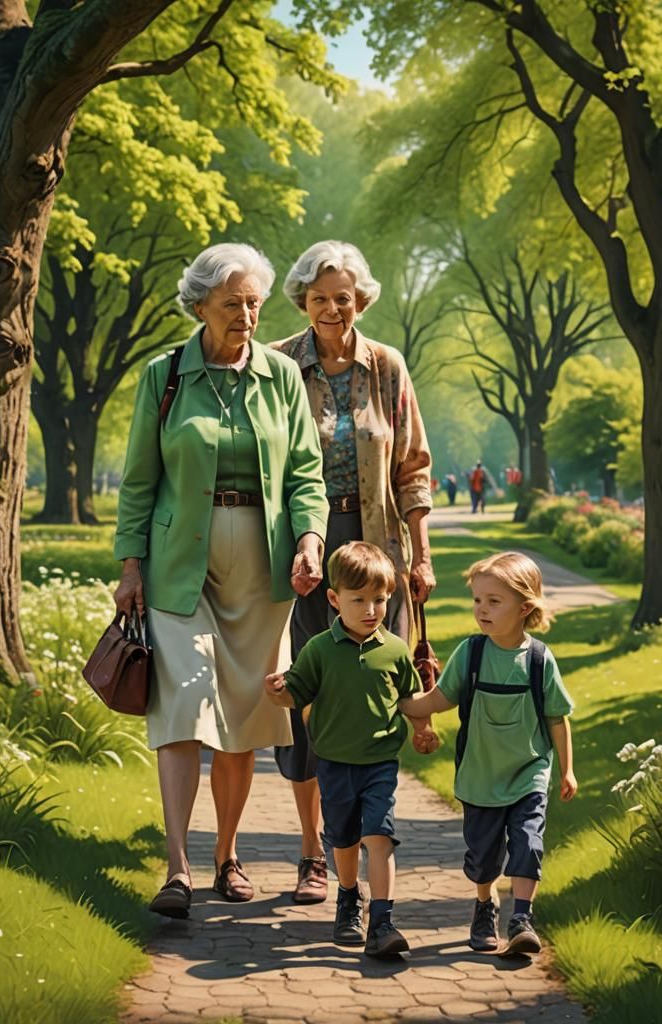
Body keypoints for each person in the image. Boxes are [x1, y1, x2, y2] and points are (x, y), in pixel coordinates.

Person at [113, 242, 329, 920]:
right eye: (233, 304)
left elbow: (304, 474)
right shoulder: (164, 377)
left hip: (263, 573)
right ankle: (176, 867)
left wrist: (311, 539)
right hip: (181, 568)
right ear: (200, 304)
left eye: (255, 304)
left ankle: (226, 856)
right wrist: (129, 566)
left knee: (244, 718)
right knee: (182, 705)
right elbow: (140, 481)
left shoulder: (281, 376)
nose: (246, 315)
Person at [270, 240, 436, 905]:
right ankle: (314, 850)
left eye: (343, 297)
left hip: (373, 549)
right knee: (309, 695)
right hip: (303, 550)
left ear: (360, 298)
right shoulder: (280, 364)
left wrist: (420, 556)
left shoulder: (385, 367)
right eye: (319, 298)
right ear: (303, 302)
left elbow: (414, 468)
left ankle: (369, 839)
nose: (333, 309)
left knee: (366, 695)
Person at [264, 541, 439, 957]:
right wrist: (277, 694)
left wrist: (424, 727)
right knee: (342, 840)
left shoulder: (396, 651)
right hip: (335, 764)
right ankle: (348, 899)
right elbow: (297, 694)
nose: (370, 610)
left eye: (379, 600)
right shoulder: (320, 650)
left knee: (379, 836)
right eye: (358, 600)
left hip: (380, 762)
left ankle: (382, 921)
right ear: (333, 598)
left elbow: (410, 699)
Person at [399, 551, 577, 956]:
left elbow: (557, 719)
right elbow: (442, 699)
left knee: (528, 842)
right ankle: (484, 904)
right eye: (478, 600)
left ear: (525, 607)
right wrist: (406, 706)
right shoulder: (471, 653)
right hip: (480, 774)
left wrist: (567, 771)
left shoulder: (538, 660)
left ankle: (521, 918)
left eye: (494, 601)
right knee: (482, 857)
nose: (482, 609)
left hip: (528, 772)